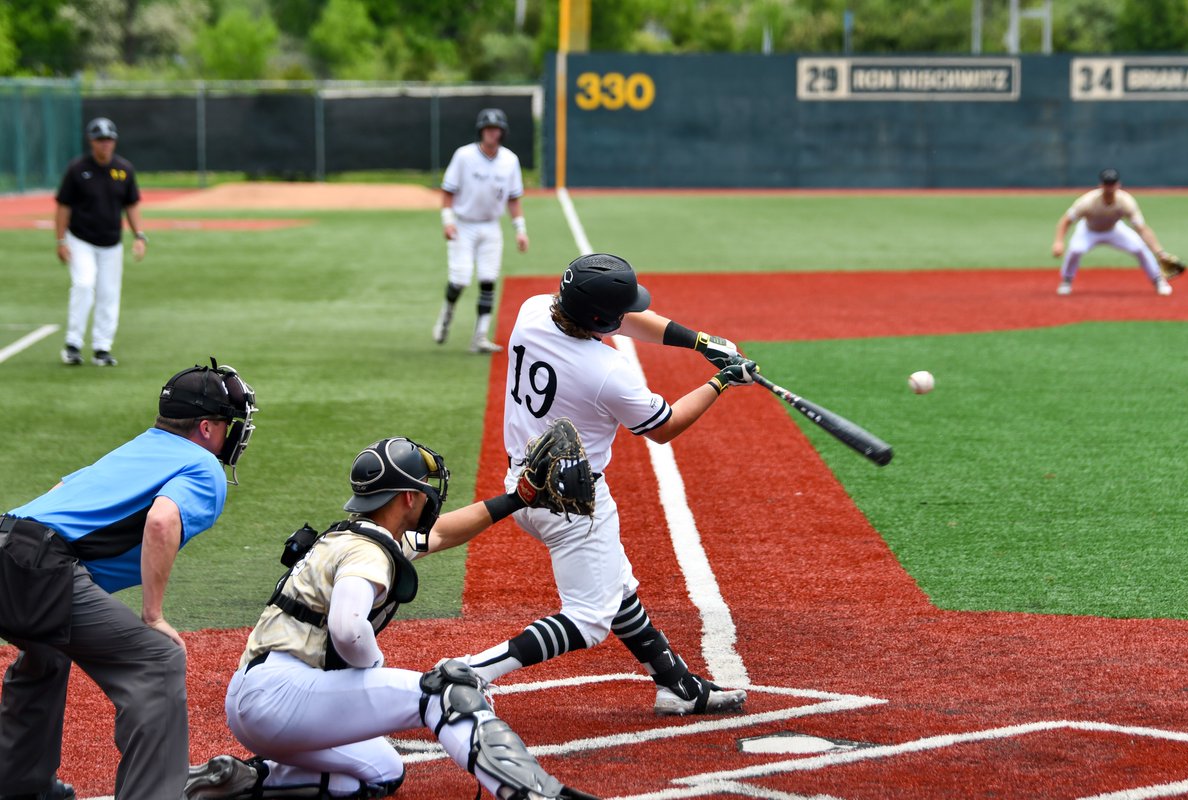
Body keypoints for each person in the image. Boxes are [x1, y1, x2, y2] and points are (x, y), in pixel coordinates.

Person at [184, 437, 597, 800]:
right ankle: (533, 793)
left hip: (254, 698)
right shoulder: (368, 553)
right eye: (421, 488)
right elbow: (348, 629)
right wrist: (373, 672)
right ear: (405, 497)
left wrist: (517, 498)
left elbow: (443, 533)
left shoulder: (351, 536)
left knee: (382, 770)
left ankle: (247, 779)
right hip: (282, 696)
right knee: (444, 690)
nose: (428, 496)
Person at [460, 253, 756, 716]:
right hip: (574, 503)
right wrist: (721, 380)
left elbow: (628, 322)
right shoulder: (607, 373)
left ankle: (675, 683)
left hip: (523, 483)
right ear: (600, 318)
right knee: (587, 619)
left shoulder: (534, 309)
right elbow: (664, 427)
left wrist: (700, 341)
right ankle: (470, 672)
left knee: (616, 587)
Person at [0, 359, 257, 800]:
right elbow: (161, 521)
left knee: (48, 649)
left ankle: (19, 784)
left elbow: (61, 491)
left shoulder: (140, 445)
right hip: (39, 570)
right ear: (206, 428)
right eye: (226, 423)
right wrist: (153, 614)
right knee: (158, 660)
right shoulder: (203, 465)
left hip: (11, 542)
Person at [433, 108, 528, 354]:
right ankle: (446, 314)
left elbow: (514, 198)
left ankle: (480, 337)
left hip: (491, 226)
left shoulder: (510, 160)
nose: (491, 133)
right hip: (464, 224)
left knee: (488, 279)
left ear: (502, 132)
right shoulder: (464, 156)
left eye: (496, 129)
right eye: (487, 129)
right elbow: (448, 190)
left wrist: (520, 229)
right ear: (481, 131)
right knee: (460, 278)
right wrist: (448, 221)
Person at [54, 117, 148, 367]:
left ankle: (102, 347)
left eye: (108, 139)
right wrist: (61, 240)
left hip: (111, 243)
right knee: (84, 285)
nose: (104, 144)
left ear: (114, 141)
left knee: (109, 293)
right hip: (81, 239)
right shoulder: (77, 169)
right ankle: (73, 344)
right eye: (100, 139)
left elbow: (131, 205)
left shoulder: (124, 169)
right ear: (91, 141)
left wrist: (139, 235)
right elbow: (63, 206)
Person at [1051, 168, 1175, 297]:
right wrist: (1058, 242)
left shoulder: (1126, 201)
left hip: (1114, 230)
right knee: (1076, 250)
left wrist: (1160, 252)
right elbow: (1066, 220)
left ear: (1118, 184)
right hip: (1088, 231)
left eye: (1112, 183)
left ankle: (1158, 280)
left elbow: (1141, 228)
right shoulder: (1087, 201)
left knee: (1139, 248)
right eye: (1107, 183)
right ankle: (1066, 281)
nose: (1110, 187)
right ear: (1101, 185)